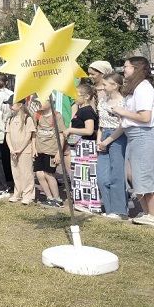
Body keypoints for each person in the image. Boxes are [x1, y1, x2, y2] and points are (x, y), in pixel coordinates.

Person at [113, 57, 154, 228]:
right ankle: (147, 212)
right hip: (135, 135)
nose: (124, 69)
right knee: (134, 174)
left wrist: (122, 112)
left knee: (146, 175)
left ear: (136, 68)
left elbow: (145, 117)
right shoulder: (136, 88)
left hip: (143, 135)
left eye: (126, 66)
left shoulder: (143, 88)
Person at [95, 73, 128, 219]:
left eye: (105, 84)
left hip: (117, 137)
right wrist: (99, 140)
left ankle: (120, 210)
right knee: (102, 177)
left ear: (114, 85)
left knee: (117, 175)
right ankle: (109, 210)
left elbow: (122, 126)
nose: (103, 87)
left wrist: (107, 141)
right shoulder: (103, 101)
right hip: (104, 136)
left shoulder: (123, 102)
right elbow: (100, 124)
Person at [65, 83, 100, 213]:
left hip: (87, 146)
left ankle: (90, 203)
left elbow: (89, 130)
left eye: (77, 95)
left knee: (87, 175)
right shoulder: (80, 110)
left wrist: (71, 130)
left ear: (86, 96)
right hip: (79, 146)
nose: (74, 97)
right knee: (80, 175)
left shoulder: (87, 111)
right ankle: (81, 201)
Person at [34, 97, 65, 207]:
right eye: (38, 101)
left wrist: (58, 153)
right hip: (39, 150)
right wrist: (33, 148)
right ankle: (49, 197)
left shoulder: (57, 116)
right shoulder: (37, 115)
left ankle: (57, 199)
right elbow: (34, 133)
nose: (40, 103)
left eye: (42, 101)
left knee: (49, 174)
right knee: (39, 174)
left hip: (51, 150)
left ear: (50, 102)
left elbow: (61, 135)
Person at [6, 97, 36, 204]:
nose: (10, 107)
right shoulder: (10, 119)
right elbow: (8, 135)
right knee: (16, 172)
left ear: (20, 105)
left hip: (25, 150)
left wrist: (20, 149)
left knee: (26, 173)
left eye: (12, 104)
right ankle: (17, 192)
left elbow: (28, 136)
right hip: (13, 151)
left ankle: (28, 194)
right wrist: (11, 149)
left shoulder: (28, 119)